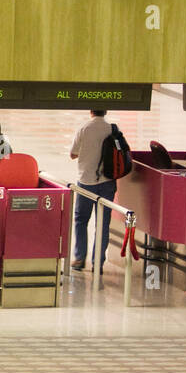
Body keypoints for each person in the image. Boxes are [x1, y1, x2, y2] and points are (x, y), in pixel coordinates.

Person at [70, 110, 115, 271]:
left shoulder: (84, 128)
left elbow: (73, 154)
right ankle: (98, 263)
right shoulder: (112, 129)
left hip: (86, 181)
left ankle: (80, 259)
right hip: (108, 182)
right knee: (103, 224)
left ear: (91, 111)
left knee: (81, 220)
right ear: (106, 111)